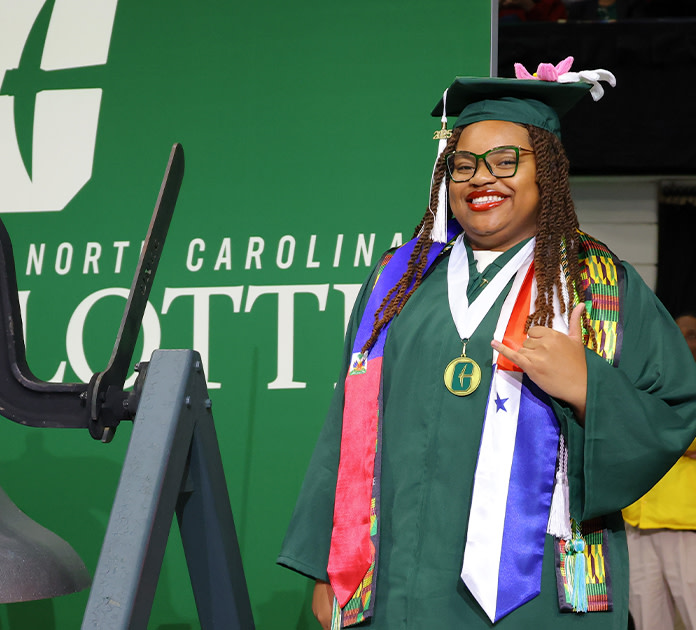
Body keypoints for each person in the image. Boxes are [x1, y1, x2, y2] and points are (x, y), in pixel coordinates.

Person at [278, 60, 696, 630]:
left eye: (505, 161)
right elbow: (346, 427)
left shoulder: (597, 284)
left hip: (540, 590)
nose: (481, 179)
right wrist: (327, 566)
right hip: (396, 578)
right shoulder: (397, 283)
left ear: (546, 172)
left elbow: (674, 410)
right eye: (463, 165)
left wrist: (588, 387)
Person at [621, 312, 696, 630]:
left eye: (691, 334)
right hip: (636, 521)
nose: (681, 339)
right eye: (676, 332)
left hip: (687, 525)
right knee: (648, 623)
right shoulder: (645, 381)